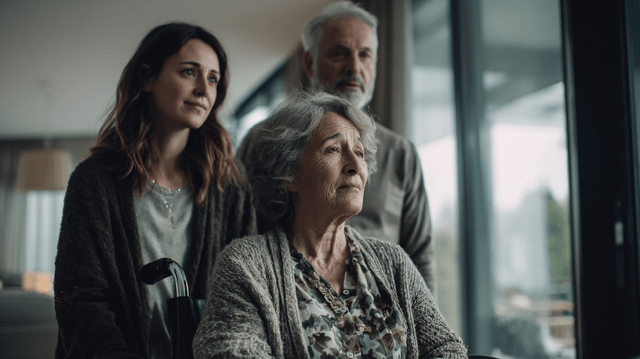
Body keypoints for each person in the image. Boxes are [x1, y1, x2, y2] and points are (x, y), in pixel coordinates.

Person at [193, 91, 466, 358]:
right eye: (333, 149)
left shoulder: (394, 263)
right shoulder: (246, 266)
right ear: (287, 175)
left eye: (359, 152)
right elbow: (231, 351)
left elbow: (446, 349)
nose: (355, 166)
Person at [53, 23, 257, 359]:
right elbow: (80, 298)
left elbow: (245, 294)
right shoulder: (93, 182)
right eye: (189, 72)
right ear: (147, 78)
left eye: (212, 79)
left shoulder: (231, 187)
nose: (203, 89)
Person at [236, 1, 436, 296]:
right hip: (289, 301)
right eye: (339, 53)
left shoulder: (401, 153)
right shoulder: (262, 141)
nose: (354, 67)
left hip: (382, 318)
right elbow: (240, 228)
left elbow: (421, 257)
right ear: (309, 63)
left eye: (365, 55)